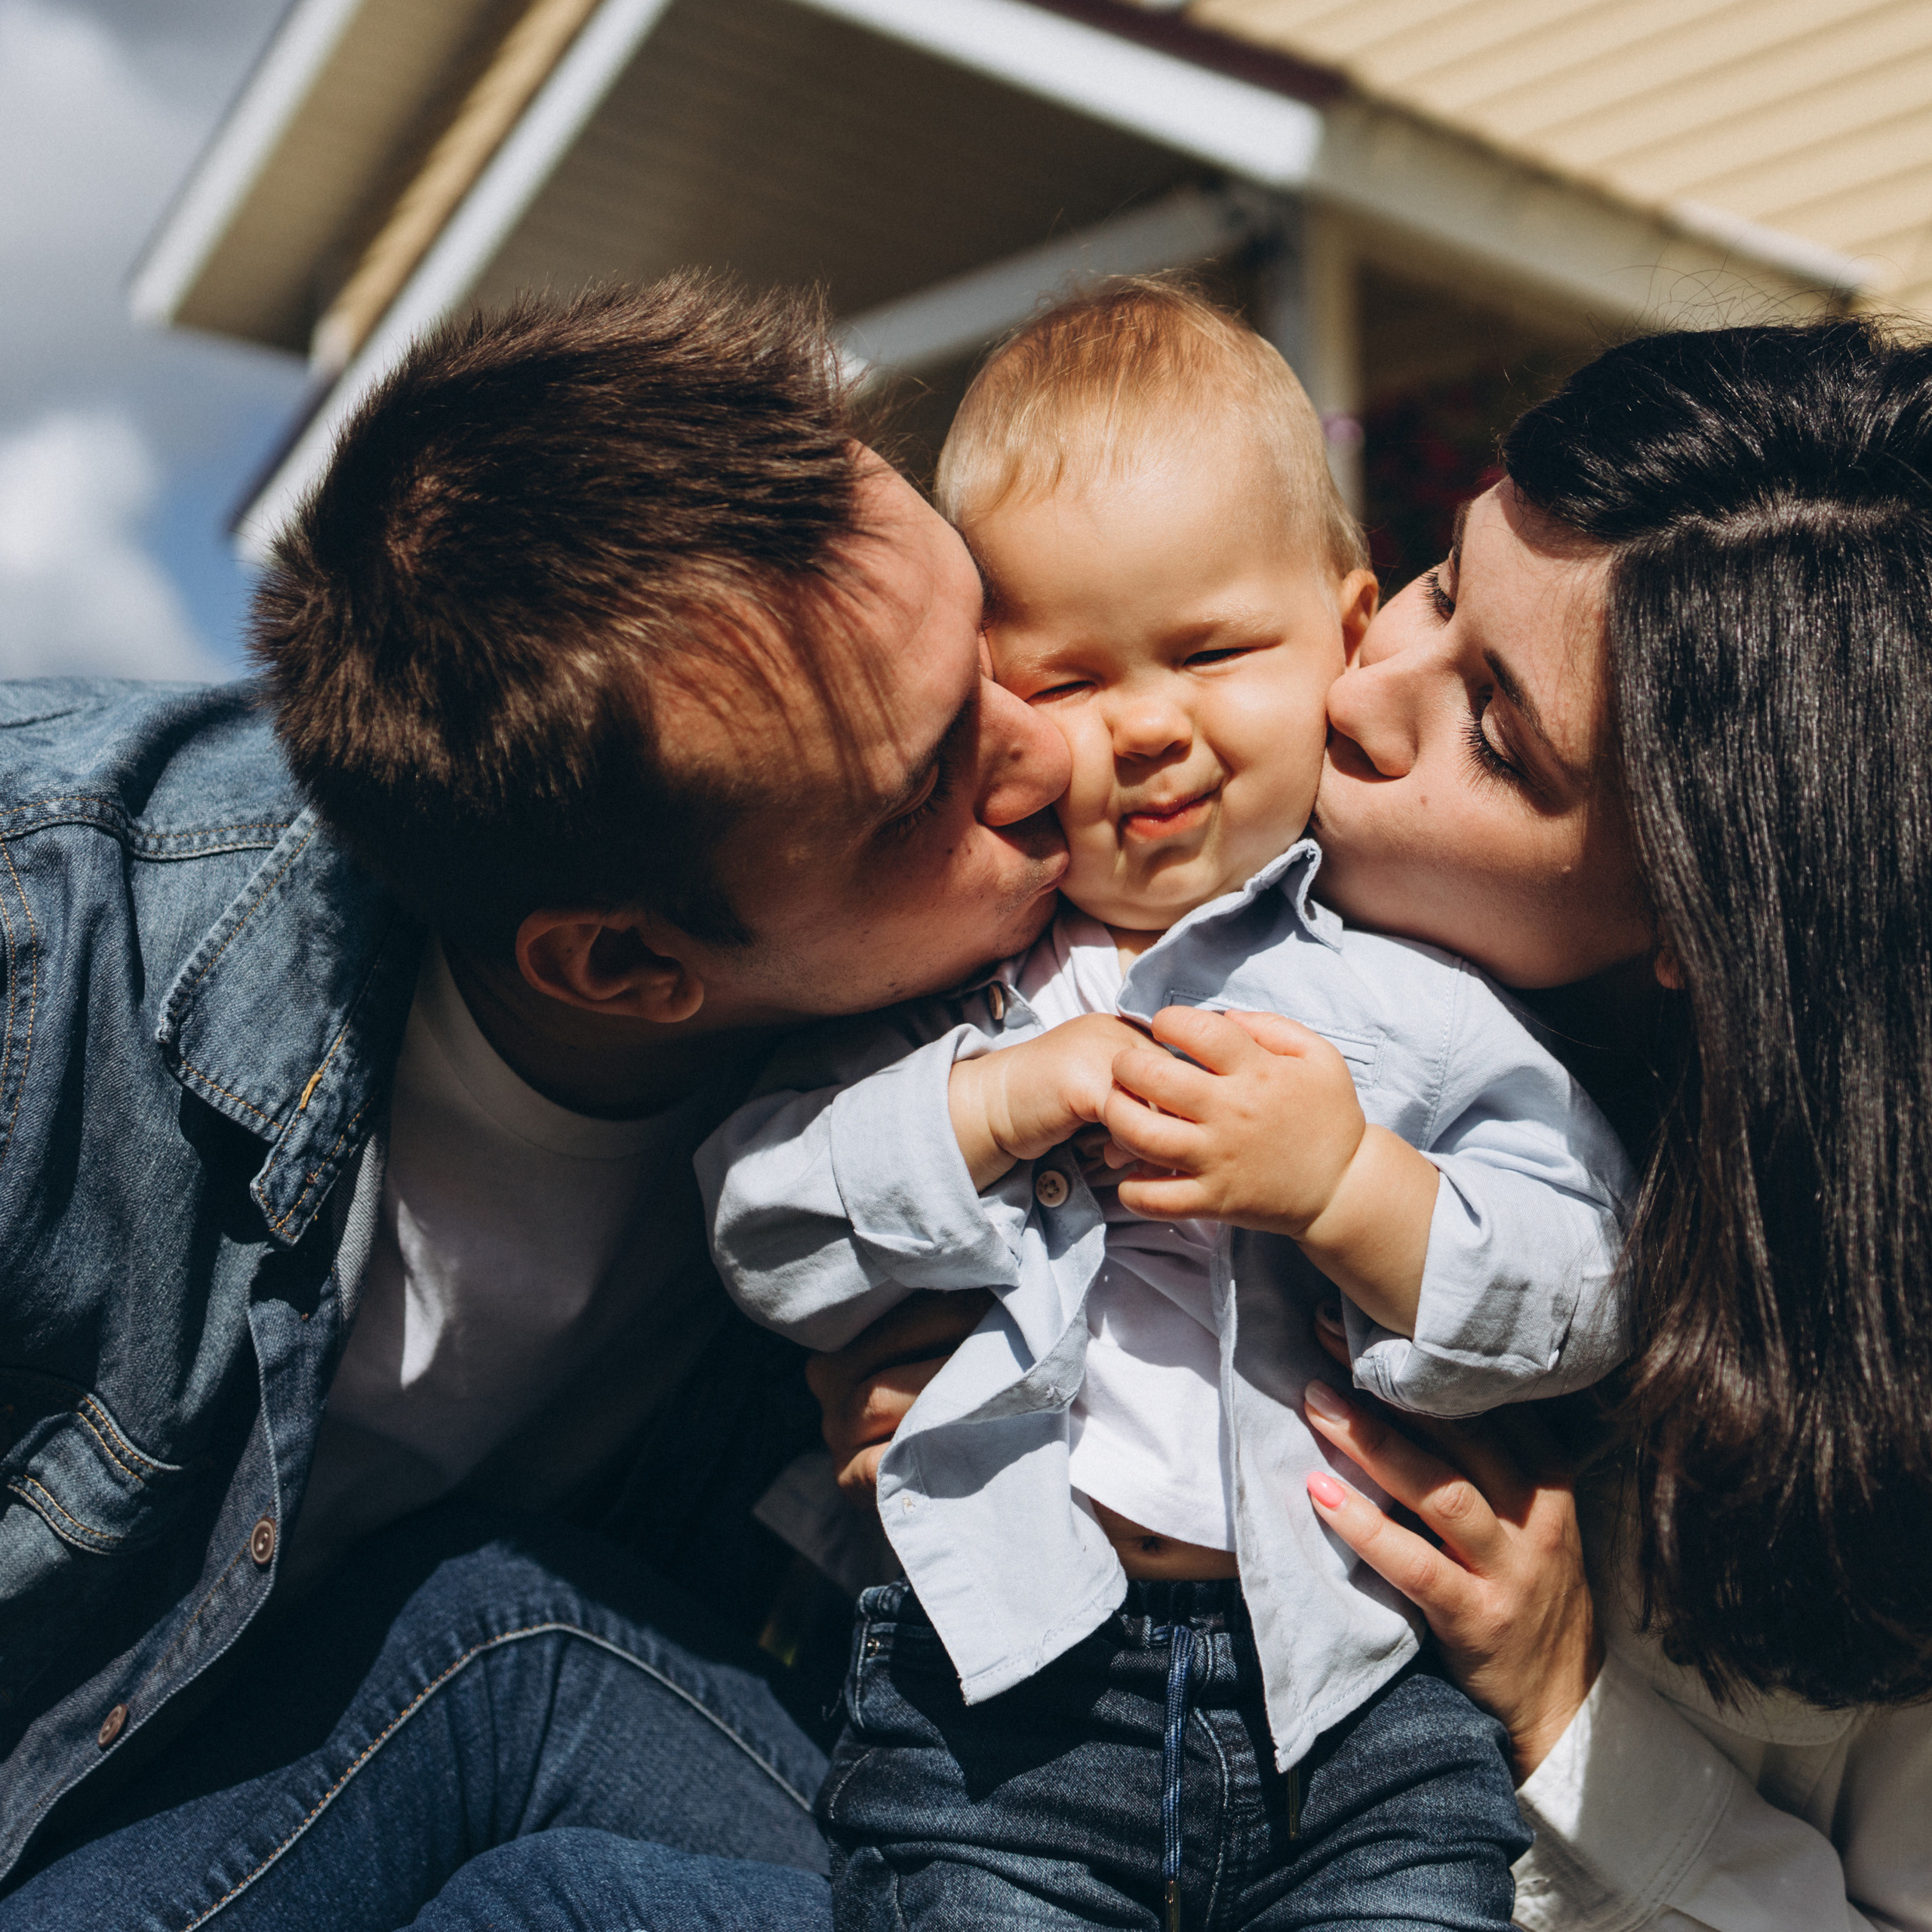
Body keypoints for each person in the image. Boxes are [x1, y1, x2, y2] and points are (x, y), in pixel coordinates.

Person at [817, 317, 1932, 1930]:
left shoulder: (1859, 1379)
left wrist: (1564, 1702)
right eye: (1435, 587)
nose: (1358, 692)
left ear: (1698, 916)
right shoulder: (1106, 923)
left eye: (1493, 733)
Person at [0, 276, 1073, 1928]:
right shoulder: (47, 973)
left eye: (989, 634)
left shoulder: (951, 1037)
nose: (1053, 752)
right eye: (927, 786)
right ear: (623, 963)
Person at [702, 281, 1634, 1930]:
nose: (1142, 725)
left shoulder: (1422, 993)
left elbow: (1584, 1281)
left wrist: (1348, 1188)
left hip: (1361, 1696)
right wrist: (992, 1106)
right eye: (1063, 681)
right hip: (1005, 1697)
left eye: (1211, 652)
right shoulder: (960, 986)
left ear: (1344, 628)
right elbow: (764, 1227)